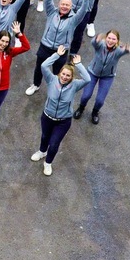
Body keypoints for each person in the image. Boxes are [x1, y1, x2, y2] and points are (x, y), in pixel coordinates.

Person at [31, 48, 91, 176]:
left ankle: (48, 163)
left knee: (54, 144)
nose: (64, 77)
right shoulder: (52, 79)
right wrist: (57, 55)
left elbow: (87, 79)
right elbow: (43, 65)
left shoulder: (75, 85)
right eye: (63, 74)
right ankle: (42, 152)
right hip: (47, 116)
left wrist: (78, 64)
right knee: (44, 137)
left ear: (71, 77)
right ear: (59, 74)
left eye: (68, 75)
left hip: (63, 121)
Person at [25, 0, 91, 95]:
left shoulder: (74, 19)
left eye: (67, 5)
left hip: (61, 50)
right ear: (59, 4)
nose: (64, 6)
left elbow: (83, 11)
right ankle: (36, 85)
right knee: (39, 68)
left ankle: (56, 89)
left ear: (71, 7)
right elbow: (47, 1)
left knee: (58, 72)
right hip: (45, 46)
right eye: (62, 4)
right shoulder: (52, 12)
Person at [74, 29, 130, 124]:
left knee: (100, 100)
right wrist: (96, 39)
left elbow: (125, 51)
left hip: (107, 76)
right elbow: (94, 43)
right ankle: (81, 108)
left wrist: (127, 49)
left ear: (117, 41)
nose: (110, 41)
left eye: (113, 39)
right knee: (86, 96)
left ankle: (95, 112)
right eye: (109, 38)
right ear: (106, 38)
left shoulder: (117, 51)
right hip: (92, 73)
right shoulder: (100, 45)